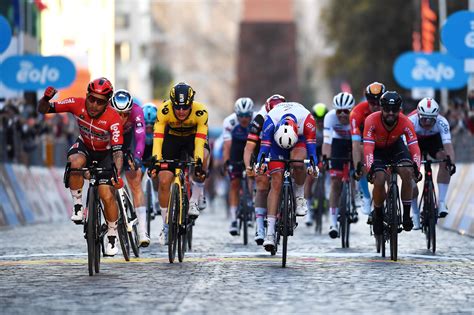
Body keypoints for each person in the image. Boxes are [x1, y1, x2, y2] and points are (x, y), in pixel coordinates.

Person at [37, 78, 124, 256]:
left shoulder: (113, 119)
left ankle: (112, 234)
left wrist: (116, 173)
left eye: (100, 102)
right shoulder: (76, 104)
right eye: (91, 99)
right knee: (75, 163)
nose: (93, 105)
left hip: (105, 154)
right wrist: (45, 100)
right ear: (86, 95)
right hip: (84, 146)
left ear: (107, 103)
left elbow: (117, 152)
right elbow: (43, 110)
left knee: (106, 194)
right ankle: (77, 205)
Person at [255, 102, 319, 252]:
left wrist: (313, 166)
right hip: (276, 145)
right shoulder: (270, 121)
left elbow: (312, 152)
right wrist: (260, 164)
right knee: (276, 181)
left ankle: (299, 195)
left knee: (298, 163)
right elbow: (263, 149)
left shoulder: (308, 121)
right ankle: (270, 233)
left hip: (300, 139)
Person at [152, 82, 209, 245]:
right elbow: (158, 139)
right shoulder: (164, 110)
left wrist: (198, 163)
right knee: (163, 180)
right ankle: (165, 225)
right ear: (172, 104)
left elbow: (199, 142)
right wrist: (156, 161)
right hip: (172, 140)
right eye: (177, 107)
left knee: (203, 158)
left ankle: (193, 202)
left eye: (185, 107)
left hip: (193, 138)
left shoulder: (201, 112)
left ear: (191, 104)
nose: (181, 111)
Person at [363, 91, 422, 236]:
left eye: (394, 110)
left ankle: (406, 215)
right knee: (380, 178)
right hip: (377, 150)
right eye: (387, 109)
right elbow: (368, 148)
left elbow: (414, 147)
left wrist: (417, 169)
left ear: (399, 109)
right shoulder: (371, 120)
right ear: (381, 109)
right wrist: (370, 168)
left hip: (396, 148)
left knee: (407, 172)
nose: (390, 113)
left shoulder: (405, 122)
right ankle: (378, 215)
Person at [243, 94, 286, 245]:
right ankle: (260, 226)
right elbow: (249, 148)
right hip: (262, 149)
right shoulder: (260, 119)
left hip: (283, 145)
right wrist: (249, 166)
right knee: (261, 184)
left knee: (282, 181)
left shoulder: (288, 115)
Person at [110, 89, 150, 247]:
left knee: (135, 181)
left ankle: (142, 230)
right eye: (117, 114)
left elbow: (140, 138)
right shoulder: (105, 112)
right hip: (111, 142)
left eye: (125, 114)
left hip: (129, 143)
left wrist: (138, 158)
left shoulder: (136, 111)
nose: (121, 118)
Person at [408, 98, 456, 228]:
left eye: (431, 119)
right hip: (414, 141)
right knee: (409, 171)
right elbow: (404, 147)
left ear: (436, 117)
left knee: (445, 159)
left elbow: (448, 145)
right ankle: (415, 212)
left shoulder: (442, 122)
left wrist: (451, 162)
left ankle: (441, 202)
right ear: (418, 115)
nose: (427, 122)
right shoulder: (410, 121)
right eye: (424, 119)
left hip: (433, 141)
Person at [323, 92, 355, 238]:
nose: (342, 115)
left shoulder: (357, 117)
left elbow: (360, 144)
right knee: (335, 182)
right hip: (338, 143)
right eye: (338, 111)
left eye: (346, 111)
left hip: (355, 142)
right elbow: (327, 142)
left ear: (352, 110)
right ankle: (333, 221)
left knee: (357, 169)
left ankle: (356, 197)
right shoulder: (329, 117)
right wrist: (326, 159)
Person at [222, 97, 256, 235]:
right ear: (236, 114)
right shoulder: (229, 122)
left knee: (253, 176)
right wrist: (226, 162)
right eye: (241, 116)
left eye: (247, 116)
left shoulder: (257, 120)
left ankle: (252, 202)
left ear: (251, 114)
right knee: (234, 184)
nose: (244, 119)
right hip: (236, 148)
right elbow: (227, 146)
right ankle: (234, 219)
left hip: (253, 147)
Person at [351, 82, 386, 215]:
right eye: (372, 102)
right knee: (361, 154)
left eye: (379, 102)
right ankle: (366, 196)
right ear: (367, 100)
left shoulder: (391, 110)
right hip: (365, 142)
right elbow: (355, 144)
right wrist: (357, 167)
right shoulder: (357, 112)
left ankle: (389, 198)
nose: (376, 106)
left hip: (384, 142)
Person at [304, 102, 330, 226]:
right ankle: (308, 209)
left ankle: (327, 196)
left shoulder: (328, 127)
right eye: (317, 120)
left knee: (329, 174)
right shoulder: (309, 127)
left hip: (324, 153)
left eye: (322, 120)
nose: (320, 123)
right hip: (312, 153)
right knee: (309, 179)